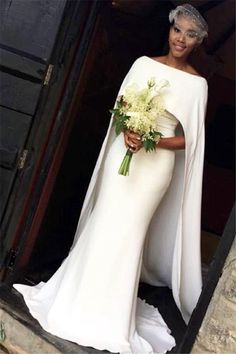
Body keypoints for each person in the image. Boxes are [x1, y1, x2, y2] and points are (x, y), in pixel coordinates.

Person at [14, 4, 208, 354]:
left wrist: (153, 141)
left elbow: (192, 139)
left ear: (198, 42)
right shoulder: (142, 65)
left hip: (155, 168)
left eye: (190, 34)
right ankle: (77, 298)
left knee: (130, 233)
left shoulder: (198, 84)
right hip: (125, 154)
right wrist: (129, 131)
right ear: (169, 30)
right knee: (105, 222)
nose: (181, 38)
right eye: (177, 29)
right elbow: (120, 110)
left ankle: (112, 316)